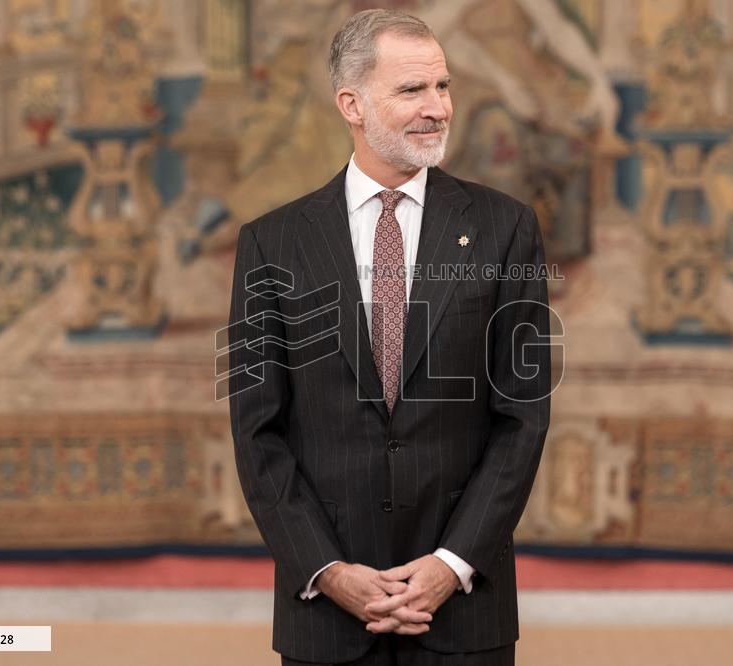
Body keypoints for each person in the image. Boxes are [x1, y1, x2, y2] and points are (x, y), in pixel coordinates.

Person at [227, 9, 551, 665]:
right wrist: (328, 571)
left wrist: (451, 564)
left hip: (464, 609)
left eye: (443, 86)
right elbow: (257, 430)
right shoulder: (273, 244)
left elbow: (522, 418)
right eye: (412, 90)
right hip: (327, 616)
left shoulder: (505, 229)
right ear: (351, 103)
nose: (438, 108)